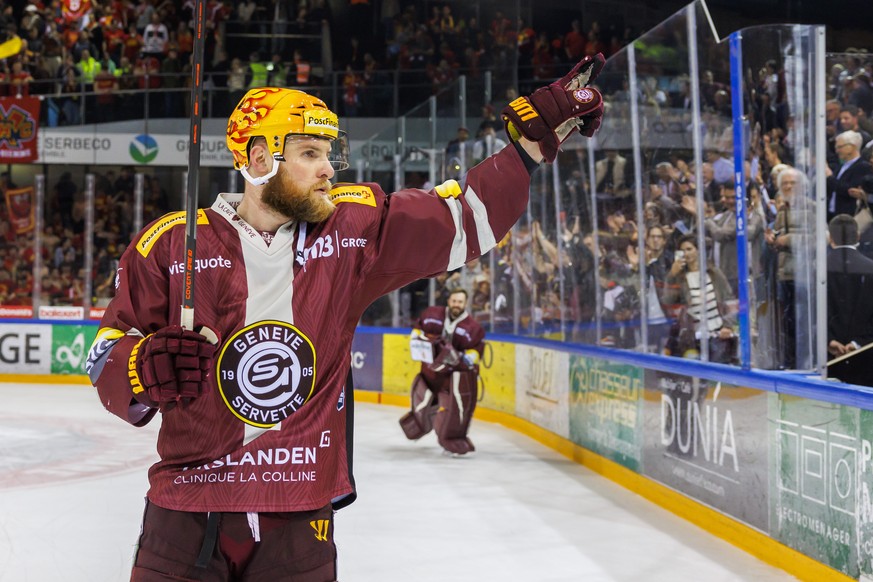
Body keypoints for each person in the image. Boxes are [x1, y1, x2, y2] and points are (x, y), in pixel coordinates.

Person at [85, 53, 605, 580]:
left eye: (329, 153)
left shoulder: (353, 228)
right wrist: (142, 368)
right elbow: (104, 354)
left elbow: (462, 219)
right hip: (184, 512)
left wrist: (526, 150)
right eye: (310, 152)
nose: (329, 168)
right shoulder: (172, 243)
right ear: (259, 157)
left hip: (300, 515)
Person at [399, 288, 485, 455]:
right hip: (430, 373)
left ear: (465, 303)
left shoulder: (473, 328)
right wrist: (417, 339)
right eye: (454, 301)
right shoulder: (432, 314)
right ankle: (418, 427)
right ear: (448, 301)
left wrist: (463, 358)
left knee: (455, 409)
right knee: (421, 399)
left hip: (451, 380)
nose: (456, 305)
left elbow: (476, 352)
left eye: (460, 302)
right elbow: (418, 329)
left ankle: (453, 439)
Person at [826, 214, 873, 358]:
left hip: (826, 359)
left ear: (830, 239)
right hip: (865, 358)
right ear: (858, 236)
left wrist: (828, 340)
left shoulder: (817, 269)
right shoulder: (870, 268)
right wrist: (858, 343)